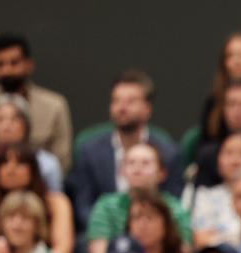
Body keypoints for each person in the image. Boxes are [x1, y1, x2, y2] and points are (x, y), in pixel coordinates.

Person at [69, 69, 182, 227]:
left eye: (131, 101)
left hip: (152, 232)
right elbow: (83, 205)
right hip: (103, 232)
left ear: (147, 109)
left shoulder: (168, 152)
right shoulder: (90, 151)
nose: (121, 108)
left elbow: (173, 202)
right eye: (116, 101)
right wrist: (103, 229)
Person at [0, 34, 72, 169]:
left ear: (29, 65)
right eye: (0, 64)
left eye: (14, 63)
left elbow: (62, 161)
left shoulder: (55, 107)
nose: (7, 70)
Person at [85, 142, 191, 253]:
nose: (137, 169)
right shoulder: (106, 206)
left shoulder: (176, 208)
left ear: (162, 173)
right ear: (122, 172)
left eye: (146, 163)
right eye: (131, 163)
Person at [0, 143, 74, 253]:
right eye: (4, 163)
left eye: (20, 163)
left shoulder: (57, 203)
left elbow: (63, 249)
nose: (11, 169)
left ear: (33, 169)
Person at [0, 95, 65, 211]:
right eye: (0, 120)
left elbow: (55, 207)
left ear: (26, 126)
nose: (6, 126)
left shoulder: (48, 165)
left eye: (14, 119)